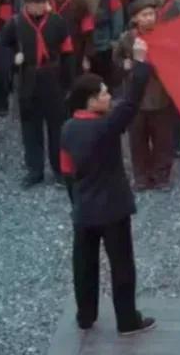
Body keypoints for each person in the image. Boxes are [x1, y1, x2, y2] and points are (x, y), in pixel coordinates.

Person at [59, 37, 156, 335]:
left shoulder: (67, 129)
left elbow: (67, 172)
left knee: (84, 265)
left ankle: (85, 315)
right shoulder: (106, 126)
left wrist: (77, 203)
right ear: (90, 100)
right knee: (121, 265)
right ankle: (127, 320)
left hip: (84, 208)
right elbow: (131, 102)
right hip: (113, 207)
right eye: (103, 93)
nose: (108, 96)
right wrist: (141, 63)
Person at [1, 0, 74, 188]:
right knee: (30, 127)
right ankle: (35, 170)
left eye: (41, 2)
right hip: (28, 77)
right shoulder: (15, 23)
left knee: (57, 127)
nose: (38, 7)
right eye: (33, 3)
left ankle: (59, 169)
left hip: (52, 76)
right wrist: (13, 59)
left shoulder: (58, 22)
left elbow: (68, 52)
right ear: (26, 4)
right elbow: (3, 46)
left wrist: (68, 82)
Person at [114, 0, 175, 191]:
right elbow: (116, 59)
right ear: (135, 19)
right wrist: (124, 64)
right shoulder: (127, 38)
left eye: (151, 14)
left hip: (160, 96)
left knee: (163, 141)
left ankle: (162, 177)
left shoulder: (165, 35)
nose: (149, 18)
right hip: (136, 98)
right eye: (144, 15)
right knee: (137, 141)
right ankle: (141, 177)